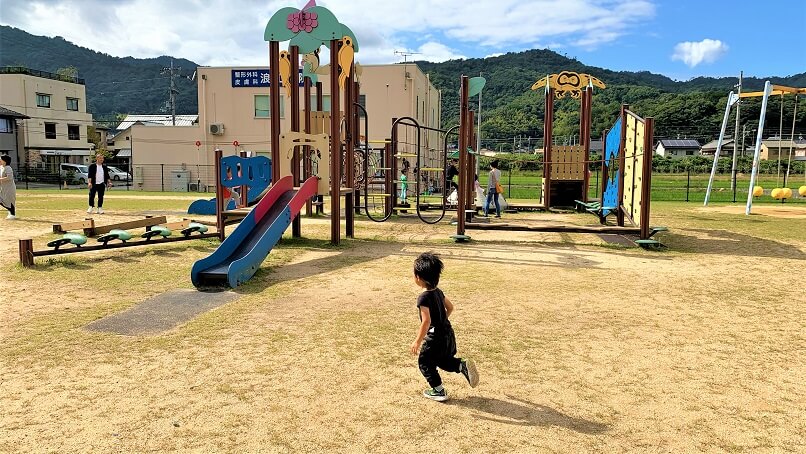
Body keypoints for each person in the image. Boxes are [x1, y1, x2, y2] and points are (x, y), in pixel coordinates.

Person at [410, 252, 479, 401]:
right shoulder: (439, 292)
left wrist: (417, 341)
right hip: (447, 333)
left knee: (425, 362)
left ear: (418, 277)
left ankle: (438, 390)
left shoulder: (423, 298)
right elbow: (450, 307)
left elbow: (426, 321)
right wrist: (441, 321)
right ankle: (461, 365)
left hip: (435, 339)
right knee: (441, 360)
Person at [0, 155, 17, 220]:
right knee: (3, 200)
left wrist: (0, 179)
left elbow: (9, 177)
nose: (0, 160)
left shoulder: (8, 168)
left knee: (10, 200)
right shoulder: (2, 167)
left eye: (1, 159)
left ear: (4, 161)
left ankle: (12, 214)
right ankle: (10, 212)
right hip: (3, 188)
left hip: (9, 188)